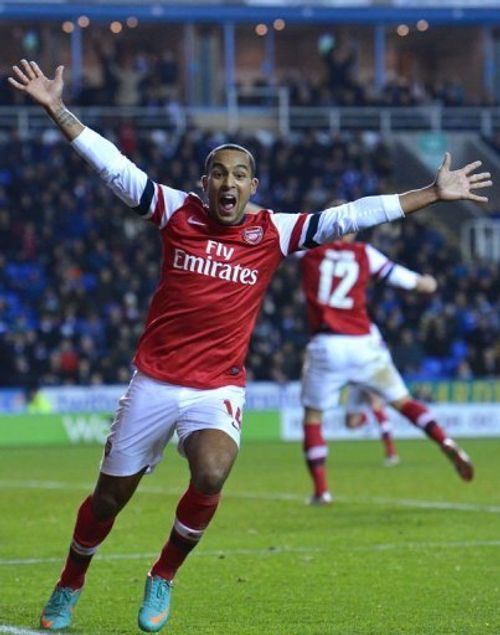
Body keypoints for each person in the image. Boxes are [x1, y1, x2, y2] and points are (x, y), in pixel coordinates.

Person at [8, 59, 492, 633]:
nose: (229, 183)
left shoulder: (275, 232)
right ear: (204, 181)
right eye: (218, 173)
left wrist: (431, 194)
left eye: (239, 174)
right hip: (155, 381)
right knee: (109, 501)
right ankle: (70, 581)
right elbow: (114, 165)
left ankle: (163, 574)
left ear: (253, 187)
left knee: (212, 472)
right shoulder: (174, 210)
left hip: (217, 387)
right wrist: (57, 109)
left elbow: (351, 215)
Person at [299, 232, 476, 505]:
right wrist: (428, 282)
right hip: (364, 344)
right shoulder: (364, 253)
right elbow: (412, 282)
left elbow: (271, 223)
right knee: (404, 402)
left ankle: (321, 490)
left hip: (326, 346)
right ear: (351, 229)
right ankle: (444, 440)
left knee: (313, 417)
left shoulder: (308, 249)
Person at [343, 381, 400, 467]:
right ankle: (369, 418)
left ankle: (391, 454)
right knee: (350, 424)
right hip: (354, 383)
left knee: (375, 404)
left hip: (367, 376)